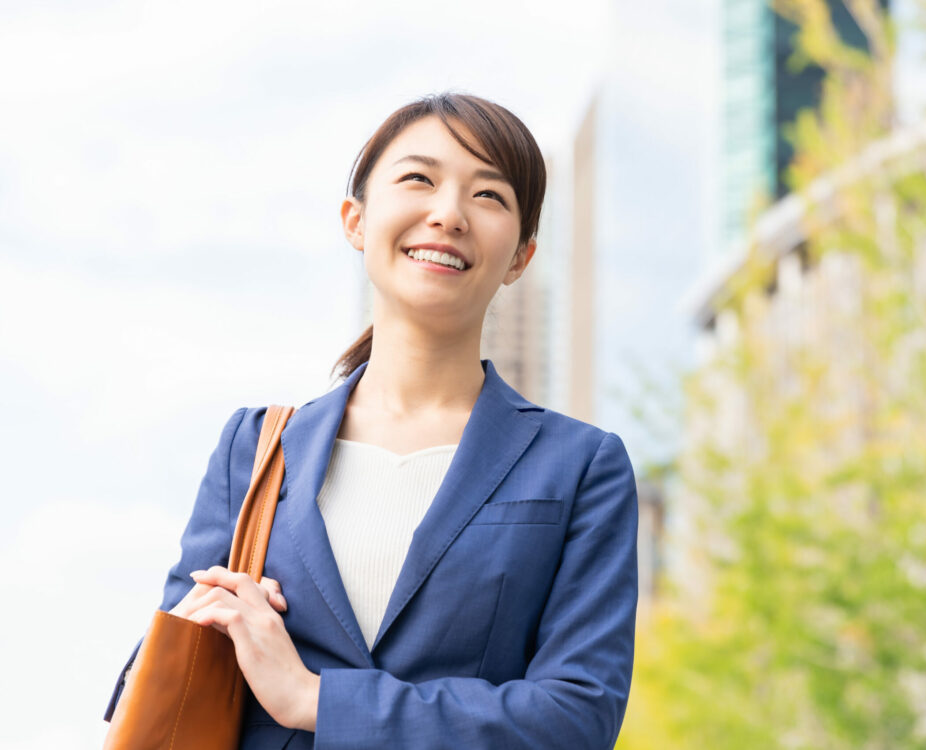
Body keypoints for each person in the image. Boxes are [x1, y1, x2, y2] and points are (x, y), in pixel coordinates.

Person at [102, 93, 639, 749]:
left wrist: (316, 699)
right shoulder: (256, 448)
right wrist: (180, 634)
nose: (448, 214)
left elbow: (576, 719)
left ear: (522, 256)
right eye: (419, 178)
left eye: (489, 196)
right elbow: (168, 681)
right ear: (355, 220)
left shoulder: (580, 466)